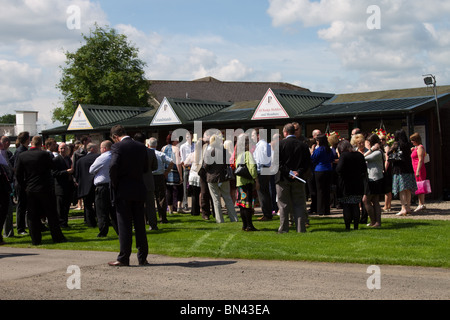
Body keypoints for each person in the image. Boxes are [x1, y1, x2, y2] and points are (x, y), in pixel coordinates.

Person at [108, 125, 149, 267]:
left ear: (115, 137)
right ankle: (142, 257)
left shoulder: (117, 147)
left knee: (124, 225)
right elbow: (145, 168)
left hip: (123, 189)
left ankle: (124, 257)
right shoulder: (141, 147)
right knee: (140, 225)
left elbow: (113, 166)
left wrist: (115, 182)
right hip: (138, 188)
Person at [15, 136, 67, 245]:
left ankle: (35, 239)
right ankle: (57, 237)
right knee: (51, 213)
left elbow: (18, 174)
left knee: (32, 215)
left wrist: (24, 185)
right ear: (41, 144)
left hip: (30, 188)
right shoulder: (44, 155)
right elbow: (52, 166)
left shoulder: (22, 156)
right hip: (44, 187)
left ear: (31, 143)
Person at [276, 123, 311, 233]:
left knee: (283, 205)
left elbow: (277, 163)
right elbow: (307, 163)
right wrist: (298, 172)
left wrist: (288, 172)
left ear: (285, 132)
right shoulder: (303, 146)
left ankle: (284, 228)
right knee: (299, 204)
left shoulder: (280, 144)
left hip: (283, 178)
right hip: (298, 178)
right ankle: (301, 228)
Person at [204, 134, 238, 223]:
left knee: (216, 200)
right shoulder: (224, 151)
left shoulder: (210, 151)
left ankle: (219, 220)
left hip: (212, 177)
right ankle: (234, 218)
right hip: (223, 177)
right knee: (228, 198)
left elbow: (206, 165)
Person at [335, 140, 368, 230]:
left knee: (346, 206)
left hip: (346, 184)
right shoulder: (359, 155)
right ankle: (356, 226)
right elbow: (364, 169)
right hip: (357, 183)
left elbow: (339, 169)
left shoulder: (344, 156)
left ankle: (347, 226)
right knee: (355, 205)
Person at [89, 140, 119, 237]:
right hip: (113, 185)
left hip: (102, 186)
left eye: (101, 148)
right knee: (114, 210)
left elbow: (91, 170)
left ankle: (103, 231)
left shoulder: (102, 158)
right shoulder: (116, 156)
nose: (100, 149)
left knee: (101, 210)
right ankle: (119, 230)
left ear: (104, 148)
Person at [388, 130, 417, 216]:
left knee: (402, 190)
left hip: (399, 169)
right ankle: (408, 207)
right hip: (409, 169)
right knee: (408, 189)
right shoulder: (408, 144)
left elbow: (389, 152)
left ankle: (403, 208)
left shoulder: (396, 144)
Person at [133, 133, 158, 230]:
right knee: (150, 205)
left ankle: (137, 225)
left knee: (137, 205)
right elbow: (155, 167)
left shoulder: (131, 153)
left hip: (136, 181)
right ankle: (153, 224)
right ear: (145, 141)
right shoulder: (151, 152)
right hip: (148, 180)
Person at [235, 133, 259, 231]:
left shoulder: (239, 154)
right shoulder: (248, 154)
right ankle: (249, 225)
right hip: (247, 182)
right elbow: (252, 168)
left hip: (239, 183)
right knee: (248, 205)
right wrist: (256, 180)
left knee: (242, 205)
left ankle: (244, 225)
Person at [148, 137, 173, 224]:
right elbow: (171, 162)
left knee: (148, 198)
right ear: (156, 145)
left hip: (149, 177)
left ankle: (148, 218)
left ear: (148, 145)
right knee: (161, 198)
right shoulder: (160, 154)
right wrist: (167, 172)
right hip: (159, 176)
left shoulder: (147, 153)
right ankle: (162, 218)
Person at [75, 143, 99, 227]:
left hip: (85, 186)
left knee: (88, 205)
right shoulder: (98, 157)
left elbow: (77, 175)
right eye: (96, 148)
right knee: (99, 205)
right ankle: (101, 221)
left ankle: (90, 222)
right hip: (96, 184)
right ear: (92, 149)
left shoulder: (80, 161)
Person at [363, 134, 384, 228]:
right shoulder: (375, 152)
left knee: (366, 200)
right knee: (375, 200)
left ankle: (374, 221)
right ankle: (376, 222)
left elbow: (363, 158)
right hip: (375, 178)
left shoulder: (378, 152)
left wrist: (370, 150)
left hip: (374, 179)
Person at [252, 128, 273, 221]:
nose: (252, 137)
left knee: (262, 193)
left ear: (258, 135)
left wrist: (257, 173)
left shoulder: (261, 146)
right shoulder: (266, 144)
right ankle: (267, 213)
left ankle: (267, 214)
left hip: (262, 170)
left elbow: (259, 161)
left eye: (253, 135)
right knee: (265, 192)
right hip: (266, 169)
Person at [311, 134, 334, 216]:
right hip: (328, 170)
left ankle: (320, 210)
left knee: (320, 191)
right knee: (327, 191)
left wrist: (312, 150)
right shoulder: (329, 150)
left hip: (319, 170)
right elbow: (332, 159)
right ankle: (327, 210)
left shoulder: (318, 150)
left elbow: (312, 159)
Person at [52, 142, 74, 228]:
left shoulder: (68, 159)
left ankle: (65, 222)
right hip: (60, 186)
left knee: (67, 205)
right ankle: (61, 223)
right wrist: (66, 172)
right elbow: (54, 173)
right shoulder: (56, 160)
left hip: (68, 185)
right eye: (61, 148)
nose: (63, 150)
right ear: (58, 149)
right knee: (60, 207)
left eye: (64, 148)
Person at [13, 131, 30, 235]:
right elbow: (17, 169)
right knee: (21, 206)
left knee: (24, 205)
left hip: (22, 182)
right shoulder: (21, 151)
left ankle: (23, 226)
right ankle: (20, 228)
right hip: (21, 182)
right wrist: (23, 184)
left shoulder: (21, 150)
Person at [162, 134, 183, 214]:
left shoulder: (163, 148)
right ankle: (179, 207)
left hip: (166, 172)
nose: (177, 141)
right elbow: (178, 163)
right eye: (176, 140)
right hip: (175, 171)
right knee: (180, 189)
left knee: (168, 191)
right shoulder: (176, 149)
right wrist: (181, 175)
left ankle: (170, 209)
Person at [410, 133, 427, 212]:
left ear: (416, 140)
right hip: (415, 168)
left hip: (419, 169)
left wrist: (417, 170)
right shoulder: (417, 148)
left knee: (420, 186)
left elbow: (420, 160)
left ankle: (421, 204)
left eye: (413, 140)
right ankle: (421, 204)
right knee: (419, 186)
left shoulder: (420, 148)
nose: (412, 142)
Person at [180, 131, 194, 211]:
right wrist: (184, 167)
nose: (189, 138)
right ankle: (185, 204)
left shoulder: (195, 145)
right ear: (186, 137)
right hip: (186, 167)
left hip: (194, 167)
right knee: (185, 186)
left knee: (193, 186)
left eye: (190, 136)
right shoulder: (183, 146)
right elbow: (182, 159)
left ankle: (194, 204)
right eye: (188, 137)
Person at [380, 135, 393, 212]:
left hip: (386, 170)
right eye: (380, 139)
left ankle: (387, 205)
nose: (381, 141)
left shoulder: (386, 147)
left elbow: (387, 160)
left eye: (383, 139)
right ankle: (387, 205)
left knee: (387, 188)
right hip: (384, 169)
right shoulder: (382, 148)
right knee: (386, 188)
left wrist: (384, 169)